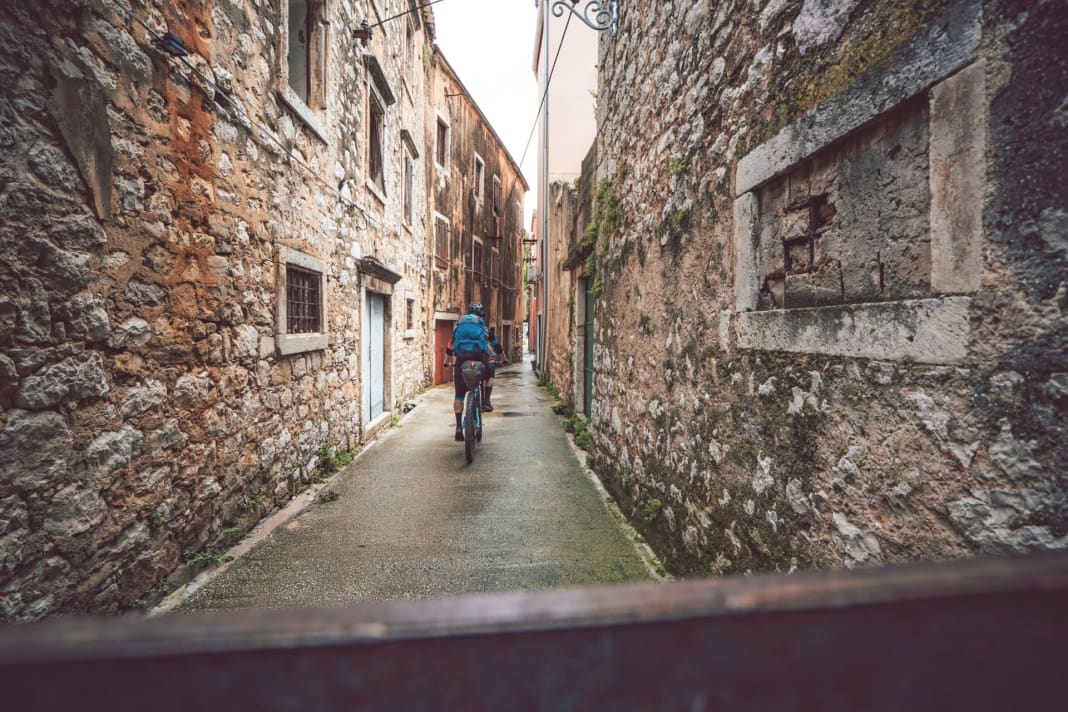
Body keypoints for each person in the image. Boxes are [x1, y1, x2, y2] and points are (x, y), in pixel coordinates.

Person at [445, 303, 489, 441]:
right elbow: (493, 341)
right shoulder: (482, 326)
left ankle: (458, 426)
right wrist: (500, 356)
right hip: (479, 359)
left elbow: (450, 344)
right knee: (488, 374)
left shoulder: (460, 325)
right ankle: (486, 401)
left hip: (461, 361)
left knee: (459, 395)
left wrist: (446, 360)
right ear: (481, 315)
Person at [483, 326, 510, 412]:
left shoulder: (462, 328)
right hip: (486, 358)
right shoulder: (486, 330)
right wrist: (504, 359)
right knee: (489, 377)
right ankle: (486, 402)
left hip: (466, 358)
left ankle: (474, 399)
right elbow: (497, 345)